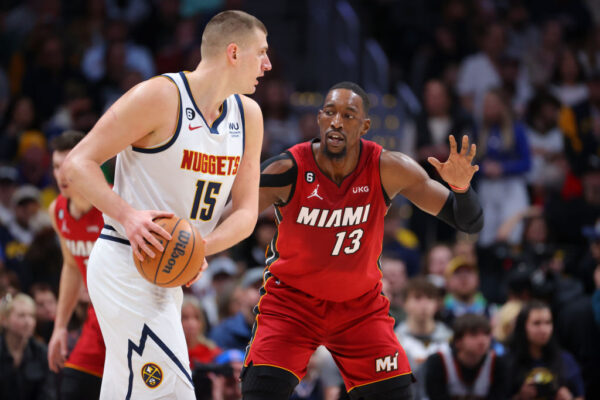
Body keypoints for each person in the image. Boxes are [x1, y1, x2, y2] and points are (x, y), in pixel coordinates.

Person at [61, 10, 271, 399]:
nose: (268, 64)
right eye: (261, 52)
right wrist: (128, 215)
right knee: (172, 389)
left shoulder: (249, 116)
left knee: (132, 390)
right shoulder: (160, 96)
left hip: (171, 273)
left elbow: (245, 212)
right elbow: (78, 163)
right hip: (125, 262)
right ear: (233, 53)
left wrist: (199, 248)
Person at [243, 81, 483, 400]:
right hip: (292, 305)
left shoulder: (389, 168)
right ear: (319, 118)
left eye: (348, 114)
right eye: (330, 112)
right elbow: (232, 214)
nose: (337, 122)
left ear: (366, 125)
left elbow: (468, 220)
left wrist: (462, 189)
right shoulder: (288, 169)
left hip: (360, 309)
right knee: (260, 392)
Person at [46, 130, 105, 399]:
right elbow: (71, 267)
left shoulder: (112, 204)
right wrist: (60, 326)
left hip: (132, 316)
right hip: (97, 319)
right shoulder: (57, 210)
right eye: (56, 166)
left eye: (67, 164)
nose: (61, 174)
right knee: (72, 388)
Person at [508, 301, 585, 400]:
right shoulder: (508, 361)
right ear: (523, 327)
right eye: (536, 323)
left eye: (548, 322)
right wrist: (519, 397)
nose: (544, 329)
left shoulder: (565, 360)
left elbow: (580, 395)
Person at [424, 313, 509, 400]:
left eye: (486, 334)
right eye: (474, 334)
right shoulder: (439, 361)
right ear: (458, 341)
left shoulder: (498, 362)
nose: (482, 340)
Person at [0, 292, 56, 399]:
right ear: (4, 320)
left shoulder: (42, 352)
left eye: (31, 316)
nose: (28, 321)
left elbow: (48, 394)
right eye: (21, 315)